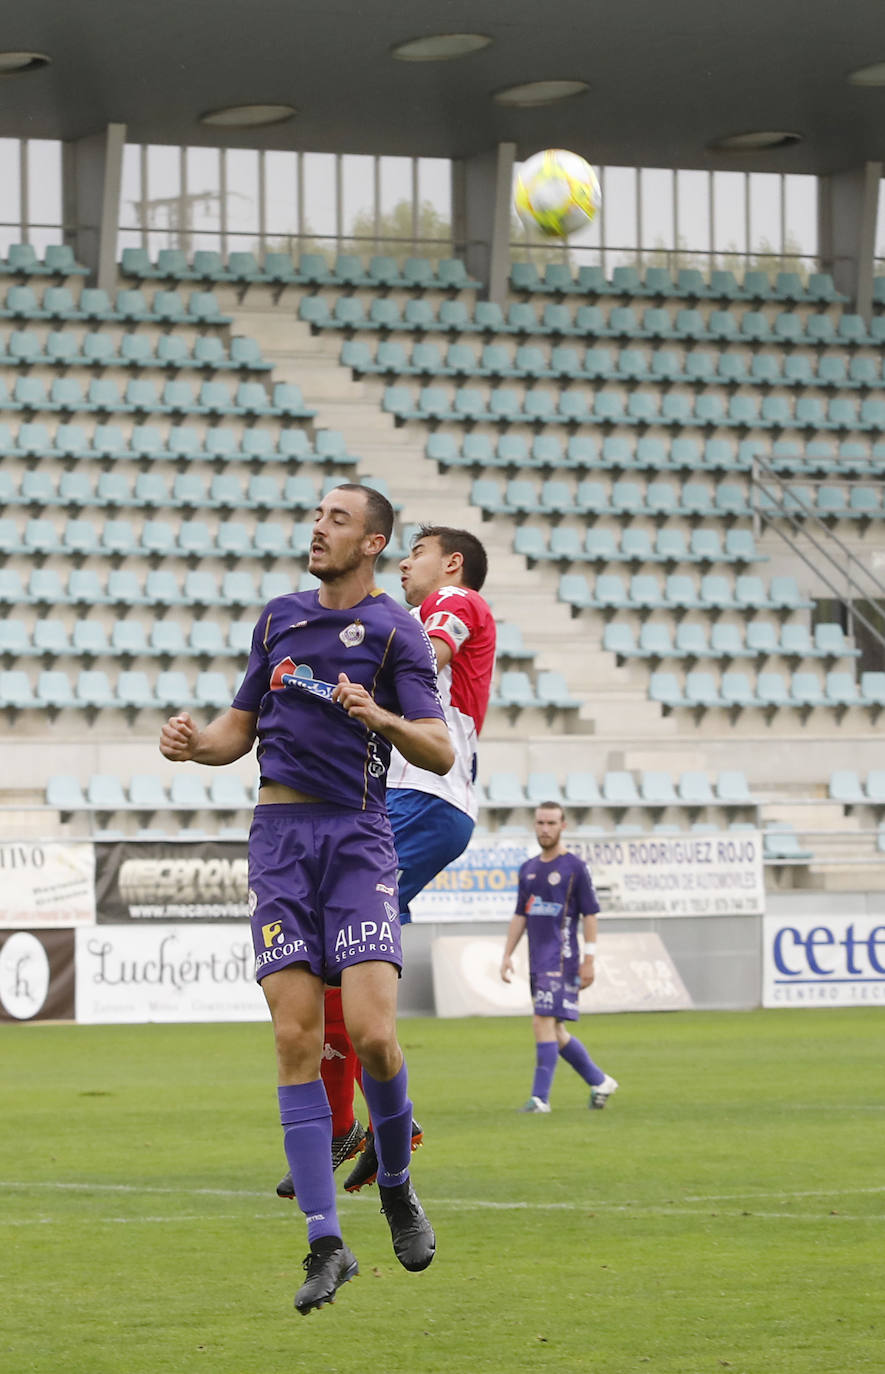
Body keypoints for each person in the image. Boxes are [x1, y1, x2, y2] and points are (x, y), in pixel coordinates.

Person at [159, 483, 454, 1315]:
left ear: (372, 543)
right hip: (279, 841)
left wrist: (380, 718)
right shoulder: (278, 618)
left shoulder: (396, 629)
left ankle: (395, 1183)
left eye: (336, 519)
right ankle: (326, 1242)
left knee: (373, 1035)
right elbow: (237, 728)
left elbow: (437, 749)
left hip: (357, 838)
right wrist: (194, 745)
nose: (317, 529)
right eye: (317, 516)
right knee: (294, 1038)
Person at [277, 523, 497, 1198]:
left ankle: (362, 1122)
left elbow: (428, 655)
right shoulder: (412, 614)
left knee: (346, 945)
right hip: (403, 798)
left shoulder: (455, 601)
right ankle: (359, 1121)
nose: (405, 564)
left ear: (452, 563)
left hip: (423, 794)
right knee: (340, 947)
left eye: (417, 553)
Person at [500, 801, 618, 1113]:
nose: (545, 829)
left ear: (563, 826)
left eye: (551, 823)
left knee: (541, 1021)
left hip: (562, 959)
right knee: (556, 1030)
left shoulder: (574, 868)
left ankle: (540, 1098)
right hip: (538, 960)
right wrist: (507, 954)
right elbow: (520, 915)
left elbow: (590, 915)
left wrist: (589, 960)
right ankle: (600, 1081)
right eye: (540, 823)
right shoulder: (528, 869)